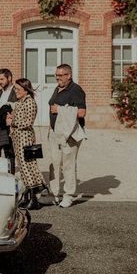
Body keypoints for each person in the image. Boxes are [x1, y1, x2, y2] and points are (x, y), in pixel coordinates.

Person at [42, 63, 87, 208]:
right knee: (54, 164)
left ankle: (68, 195)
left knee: (68, 165)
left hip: (70, 134)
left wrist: (60, 110)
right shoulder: (58, 88)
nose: (57, 78)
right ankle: (54, 194)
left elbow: (81, 112)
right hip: (56, 133)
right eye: (56, 75)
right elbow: (52, 110)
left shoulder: (76, 90)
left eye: (60, 75)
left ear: (69, 75)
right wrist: (50, 130)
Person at [5, 78, 45, 210]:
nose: (15, 91)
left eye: (18, 89)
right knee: (22, 167)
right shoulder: (20, 102)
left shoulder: (30, 102)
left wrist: (13, 123)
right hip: (17, 138)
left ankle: (34, 198)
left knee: (28, 166)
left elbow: (28, 122)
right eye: (15, 89)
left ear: (25, 89)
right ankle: (27, 196)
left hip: (25, 138)